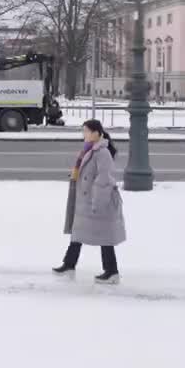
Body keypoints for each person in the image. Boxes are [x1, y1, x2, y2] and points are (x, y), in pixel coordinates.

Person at [54, 119, 126, 284]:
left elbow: (104, 179)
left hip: (98, 200)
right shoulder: (90, 149)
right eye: (83, 131)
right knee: (78, 232)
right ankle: (69, 263)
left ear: (96, 133)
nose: (83, 134)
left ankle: (112, 271)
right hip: (86, 199)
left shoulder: (102, 152)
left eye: (86, 131)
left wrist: (98, 202)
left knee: (104, 237)